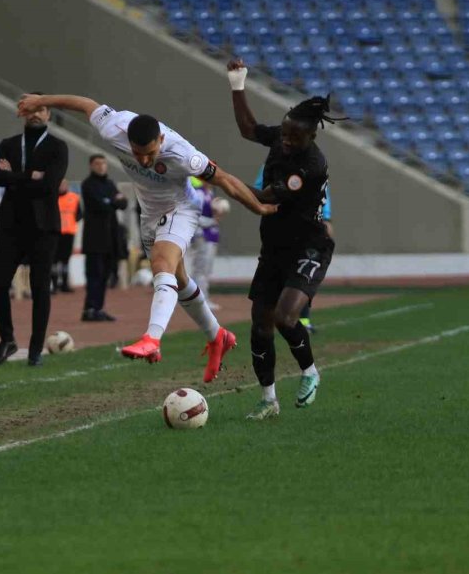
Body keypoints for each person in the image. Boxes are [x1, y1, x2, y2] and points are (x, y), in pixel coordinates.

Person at [17, 92, 276, 382]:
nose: (143, 159)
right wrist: (42, 100)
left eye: (150, 154)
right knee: (178, 280)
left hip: (181, 208)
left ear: (161, 142)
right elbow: (85, 104)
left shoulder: (183, 154)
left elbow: (226, 180)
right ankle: (218, 337)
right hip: (149, 213)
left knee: (161, 266)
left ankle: (152, 338)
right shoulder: (114, 127)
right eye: (137, 153)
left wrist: (260, 208)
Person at [226, 58, 342, 420]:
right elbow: (248, 129)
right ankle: (268, 400)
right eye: (285, 133)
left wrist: (219, 178)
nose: (286, 141)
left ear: (311, 137)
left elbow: (264, 199)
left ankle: (310, 372)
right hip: (274, 247)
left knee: (285, 318)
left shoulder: (310, 166)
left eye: (295, 137)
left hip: (309, 245)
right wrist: (237, 84)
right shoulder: (282, 137)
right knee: (259, 322)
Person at [0, 93, 68, 366]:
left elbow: (50, 185)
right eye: (32, 110)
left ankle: (35, 350)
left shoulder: (58, 147)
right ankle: (7, 340)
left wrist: (13, 178)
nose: (36, 114)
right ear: (23, 113)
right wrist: (29, 176)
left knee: (39, 288)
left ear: (48, 115)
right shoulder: (9, 145)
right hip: (10, 225)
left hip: (43, 226)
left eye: (42, 109)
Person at [255, 165, 333, 333]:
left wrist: (326, 218)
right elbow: (259, 191)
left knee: (303, 275)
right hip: (279, 231)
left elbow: (323, 194)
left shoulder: (314, 163)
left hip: (307, 232)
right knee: (280, 275)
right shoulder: (271, 164)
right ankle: (277, 319)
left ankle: (302, 320)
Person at [81, 154, 126, 321]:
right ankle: (90, 309)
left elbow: (124, 203)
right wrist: (113, 201)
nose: (101, 167)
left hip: (110, 238)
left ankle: (98, 308)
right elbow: (99, 205)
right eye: (97, 164)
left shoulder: (110, 184)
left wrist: (112, 201)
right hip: (94, 238)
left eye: (103, 164)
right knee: (94, 274)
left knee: (105, 275)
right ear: (91, 166)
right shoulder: (88, 185)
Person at [188, 178, 223, 311]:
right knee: (200, 269)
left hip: (211, 235)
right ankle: (200, 300)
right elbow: (195, 216)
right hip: (202, 235)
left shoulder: (210, 193)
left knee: (206, 269)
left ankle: (202, 298)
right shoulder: (199, 193)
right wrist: (212, 221)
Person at [52, 178, 83, 294]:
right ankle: (54, 285)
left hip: (69, 232)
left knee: (65, 260)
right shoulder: (52, 198)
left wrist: (70, 219)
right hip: (55, 233)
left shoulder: (74, 198)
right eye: (60, 184)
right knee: (54, 260)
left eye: (64, 184)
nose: (62, 186)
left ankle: (64, 284)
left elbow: (79, 214)